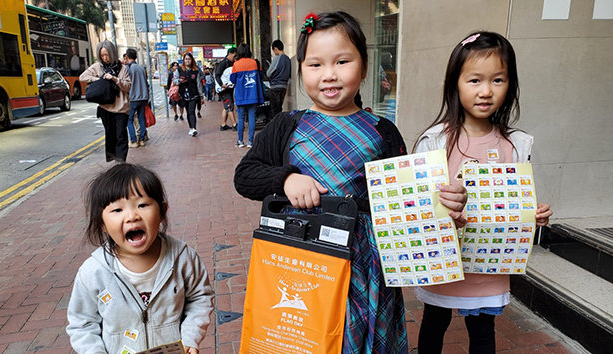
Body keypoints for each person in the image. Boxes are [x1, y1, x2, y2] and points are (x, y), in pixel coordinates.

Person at [234, 11, 467, 353]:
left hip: (366, 264)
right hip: (305, 258)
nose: (329, 75)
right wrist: (285, 180)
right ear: (301, 71)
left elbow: (406, 199)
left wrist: (444, 205)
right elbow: (245, 176)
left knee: (359, 340)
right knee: (305, 335)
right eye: (315, 65)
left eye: (342, 61)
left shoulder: (382, 131)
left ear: (364, 65)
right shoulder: (287, 125)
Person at [413, 31, 553, 354]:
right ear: (455, 83)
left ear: (511, 84)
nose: (486, 91)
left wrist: (535, 214)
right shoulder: (434, 141)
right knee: (434, 322)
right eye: (474, 80)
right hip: (445, 260)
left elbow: (517, 201)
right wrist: (443, 209)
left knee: (483, 330)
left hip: (489, 263)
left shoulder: (516, 145)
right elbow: (420, 204)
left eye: (498, 80)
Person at [66, 163, 214, 354]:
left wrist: (190, 337)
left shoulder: (183, 258)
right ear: (102, 224)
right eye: (117, 210)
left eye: (142, 205)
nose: (132, 216)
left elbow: (200, 297)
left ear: (162, 211)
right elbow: (82, 324)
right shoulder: (94, 272)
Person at [80, 40, 131, 163]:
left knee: (121, 135)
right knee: (110, 135)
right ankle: (113, 157)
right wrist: (100, 79)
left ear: (112, 53)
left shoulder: (123, 68)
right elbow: (82, 77)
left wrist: (114, 79)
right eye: (102, 55)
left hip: (121, 108)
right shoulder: (98, 66)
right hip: (105, 108)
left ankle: (121, 161)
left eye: (107, 55)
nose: (105, 58)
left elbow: (127, 86)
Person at [230, 43, 264, 148]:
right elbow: (261, 76)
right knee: (252, 117)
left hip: (240, 95)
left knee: (240, 117)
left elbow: (232, 79)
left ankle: (240, 141)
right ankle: (250, 142)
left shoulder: (236, 64)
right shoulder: (255, 63)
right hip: (253, 94)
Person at [175, 53, 204, 136]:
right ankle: (191, 128)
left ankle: (194, 128)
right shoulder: (179, 70)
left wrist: (201, 96)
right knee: (188, 112)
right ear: (184, 60)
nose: (187, 61)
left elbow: (199, 84)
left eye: (189, 59)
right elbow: (174, 80)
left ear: (192, 60)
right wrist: (180, 81)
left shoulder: (196, 71)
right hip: (183, 95)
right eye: (186, 59)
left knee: (192, 111)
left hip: (194, 95)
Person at [125, 48, 149, 148]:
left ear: (127, 57)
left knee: (129, 119)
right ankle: (142, 139)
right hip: (143, 97)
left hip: (133, 98)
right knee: (141, 118)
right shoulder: (142, 68)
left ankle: (133, 141)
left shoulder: (128, 68)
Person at [266, 39, 291, 120]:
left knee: (274, 111)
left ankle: (276, 129)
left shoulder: (277, 58)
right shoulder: (288, 59)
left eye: (273, 50)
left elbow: (269, 73)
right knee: (279, 108)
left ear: (276, 49)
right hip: (284, 86)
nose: (274, 53)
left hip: (275, 87)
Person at [216, 47, 238, 131]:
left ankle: (223, 124)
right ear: (229, 54)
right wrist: (222, 85)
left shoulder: (232, 63)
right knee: (229, 105)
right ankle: (234, 124)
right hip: (224, 88)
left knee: (226, 106)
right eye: (234, 56)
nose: (235, 58)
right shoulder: (223, 63)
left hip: (229, 87)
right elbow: (217, 75)